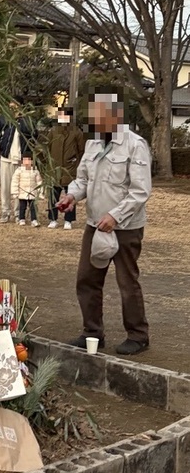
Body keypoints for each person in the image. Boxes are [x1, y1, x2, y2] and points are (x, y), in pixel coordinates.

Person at [60, 92, 152, 356]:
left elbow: (140, 191)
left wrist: (115, 216)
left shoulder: (135, 145)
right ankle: (92, 333)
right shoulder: (93, 145)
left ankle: (138, 335)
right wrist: (71, 196)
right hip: (94, 224)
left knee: (127, 282)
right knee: (86, 280)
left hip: (126, 227)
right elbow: (83, 180)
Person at [0, 99, 38, 223]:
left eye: (15, 104)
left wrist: (27, 151)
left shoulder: (27, 121)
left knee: (20, 186)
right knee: (5, 187)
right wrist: (2, 145)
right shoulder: (4, 118)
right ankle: (5, 211)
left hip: (21, 159)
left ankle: (19, 213)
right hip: (6, 158)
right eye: (11, 104)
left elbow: (34, 135)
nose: (12, 106)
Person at [46, 106, 85, 230]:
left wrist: (76, 162)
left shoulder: (76, 131)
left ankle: (68, 219)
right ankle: (53, 218)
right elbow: (46, 147)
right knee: (53, 196)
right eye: (61, 115)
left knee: (71, 194)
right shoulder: (53, 131)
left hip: (70, 168)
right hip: (55, 169)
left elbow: (81, 149)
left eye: (65, 115)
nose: (62, 118)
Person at [10, 154, 43, 226]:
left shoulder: (35, 171)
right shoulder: (19, 171)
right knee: (22, 207)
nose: (27, 162)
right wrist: (15, 192)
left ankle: (34, 219)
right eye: (25, 160)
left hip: (32, 193)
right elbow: (15, 182)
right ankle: (22, 219)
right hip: (22, 193)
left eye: (28, 160)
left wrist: (40, 193)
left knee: (33, 207)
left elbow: (39, 182)